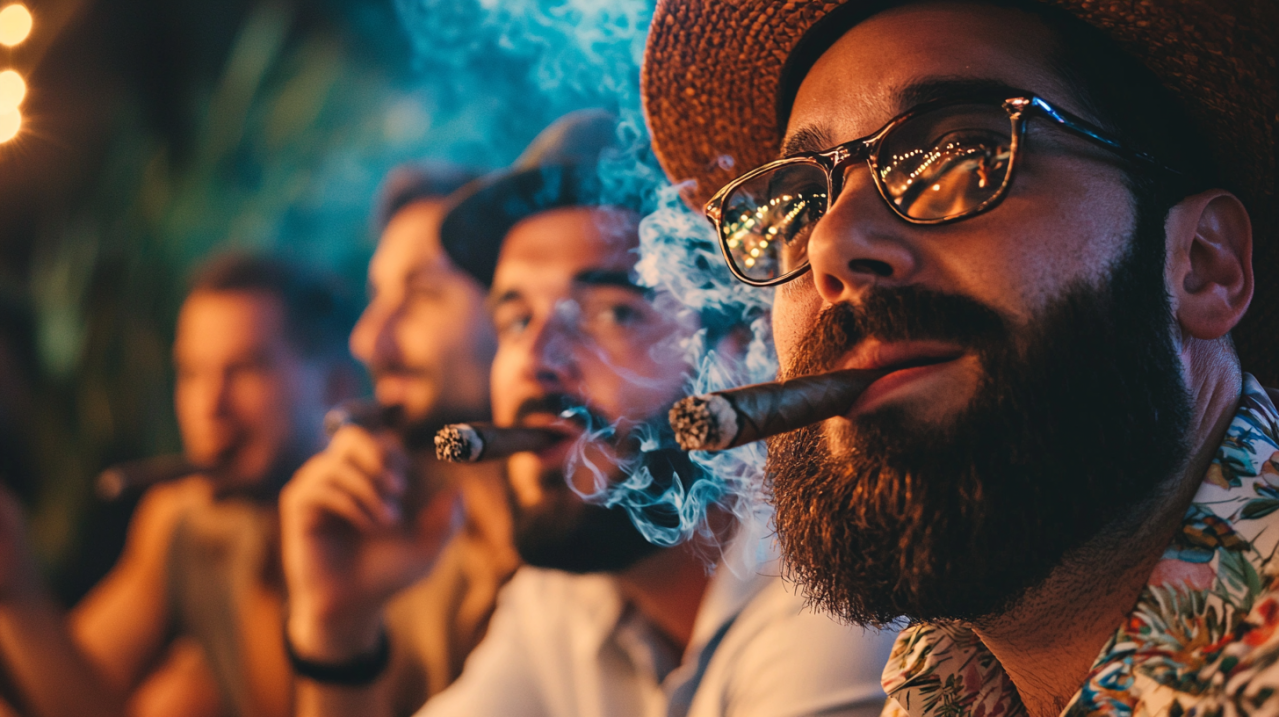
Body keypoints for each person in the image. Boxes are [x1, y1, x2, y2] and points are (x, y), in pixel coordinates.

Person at [640, 1, 1277, 715]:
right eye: (794, 208)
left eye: (959, 155)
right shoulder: (936, 687)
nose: (829, 244)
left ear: (1201, 265)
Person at [281, 109, 896, 717]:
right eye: (516, 319)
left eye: (611, 311)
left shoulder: (836, 594)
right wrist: (339, 630)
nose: (535, 361)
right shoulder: (561, 599)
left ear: (737, 353)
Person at [0, 254, 357, 717]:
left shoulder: (390, 542)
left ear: (334, 387)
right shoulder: (183, 520)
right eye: (191, 373)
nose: (209, 405)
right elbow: (77, 704)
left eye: (245, 368)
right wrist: (16, 585)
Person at [286, 162, 520, 715]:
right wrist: (336, 624)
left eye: (421, 293)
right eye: (376, 295)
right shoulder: (404, 561)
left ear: (515, 308)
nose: (369, 340)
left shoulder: (612, 540)